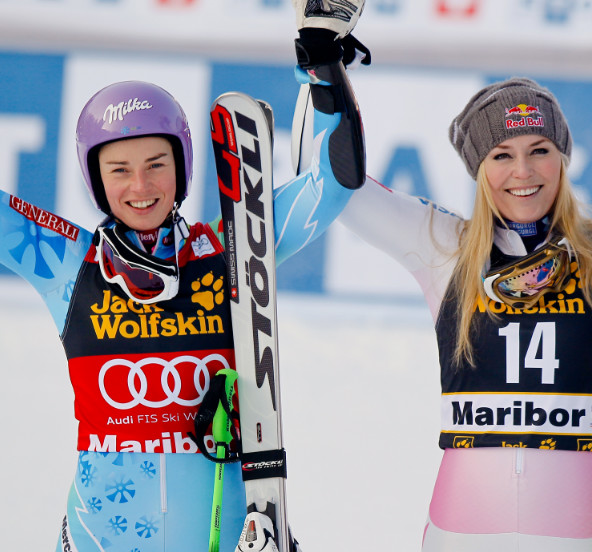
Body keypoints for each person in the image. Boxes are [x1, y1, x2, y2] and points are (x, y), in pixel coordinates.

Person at [295, 60, 592, 545]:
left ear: (563, 158)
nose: (523, 172)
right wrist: (322, 69)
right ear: (479, 169)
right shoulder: (445, 247)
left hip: (579, 532)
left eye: (539, 150)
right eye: (501, 155)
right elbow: (343, 192)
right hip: (463, 532)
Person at [0, 3, 365, 550]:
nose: (140, 185)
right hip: (101, 537)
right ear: (96, 180)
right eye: (118, 169)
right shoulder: (68, 263)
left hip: (230, 529)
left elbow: (333, 184)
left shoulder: (233, 245)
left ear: (183, 166)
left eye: (156, 164)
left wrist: (322, 71)